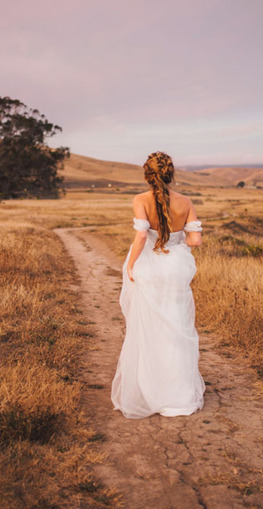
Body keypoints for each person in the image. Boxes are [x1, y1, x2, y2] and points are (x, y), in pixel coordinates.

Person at [111, 151, 205, 419]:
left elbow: (142, 236)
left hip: (149, 267)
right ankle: (178, 392)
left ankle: (148, 390)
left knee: (148, 327)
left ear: (147, 175)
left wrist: (131, 265)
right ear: (171, 173)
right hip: (175, 268)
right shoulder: (185, 202)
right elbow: (195, 241)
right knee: (176, 325)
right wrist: (175, 244)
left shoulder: (140, 200)